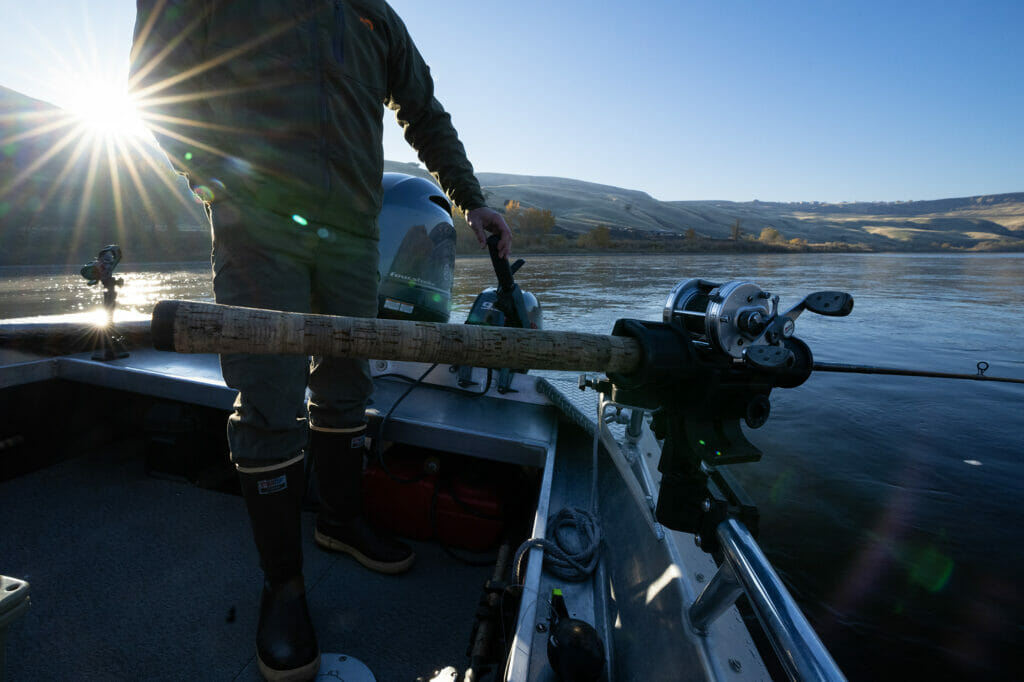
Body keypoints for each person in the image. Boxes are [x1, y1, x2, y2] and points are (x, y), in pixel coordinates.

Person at [129, 2, 512, 680]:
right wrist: (209, 175)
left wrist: (471, 197)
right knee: (270, 396)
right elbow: (158, 76)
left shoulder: (375, 14)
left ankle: (340, 519)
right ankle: (283, 588)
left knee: (347, 383)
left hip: (354, 234)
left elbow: (424, 112)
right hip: (258, 225)